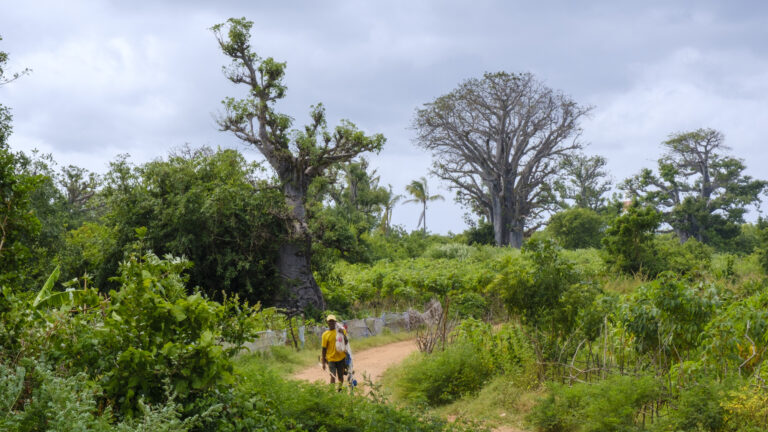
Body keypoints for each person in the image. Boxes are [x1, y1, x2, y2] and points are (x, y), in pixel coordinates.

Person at [321, 314, 348, 390]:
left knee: (340, 376)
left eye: (333, 321)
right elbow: (323, 349)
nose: (331, 323)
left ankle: (340, 391)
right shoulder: (325, 335)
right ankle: (332, 392)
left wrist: (342, 334)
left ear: (335, 322)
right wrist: (323, 362)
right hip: (331, 359)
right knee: (332, 376)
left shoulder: (341, 331)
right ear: (327, 323)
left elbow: (346, 342)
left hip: (341, 357)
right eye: (330, 321)